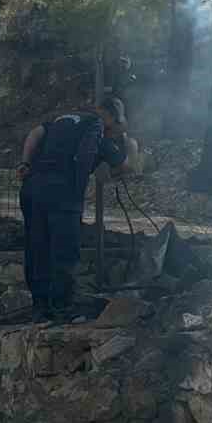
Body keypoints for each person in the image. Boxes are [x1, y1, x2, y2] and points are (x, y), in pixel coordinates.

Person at [16, 96, 144, 321]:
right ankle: (61, 309)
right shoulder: (96, 130)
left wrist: (25, 163)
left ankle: (40, 306)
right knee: (63, 252)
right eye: (117, 123)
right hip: (63, 195)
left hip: (32, 189)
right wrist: (132, 147)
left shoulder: (64, 119)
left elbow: (35, 133)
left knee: (38, 247)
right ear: (112, 118)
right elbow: (125, 168)